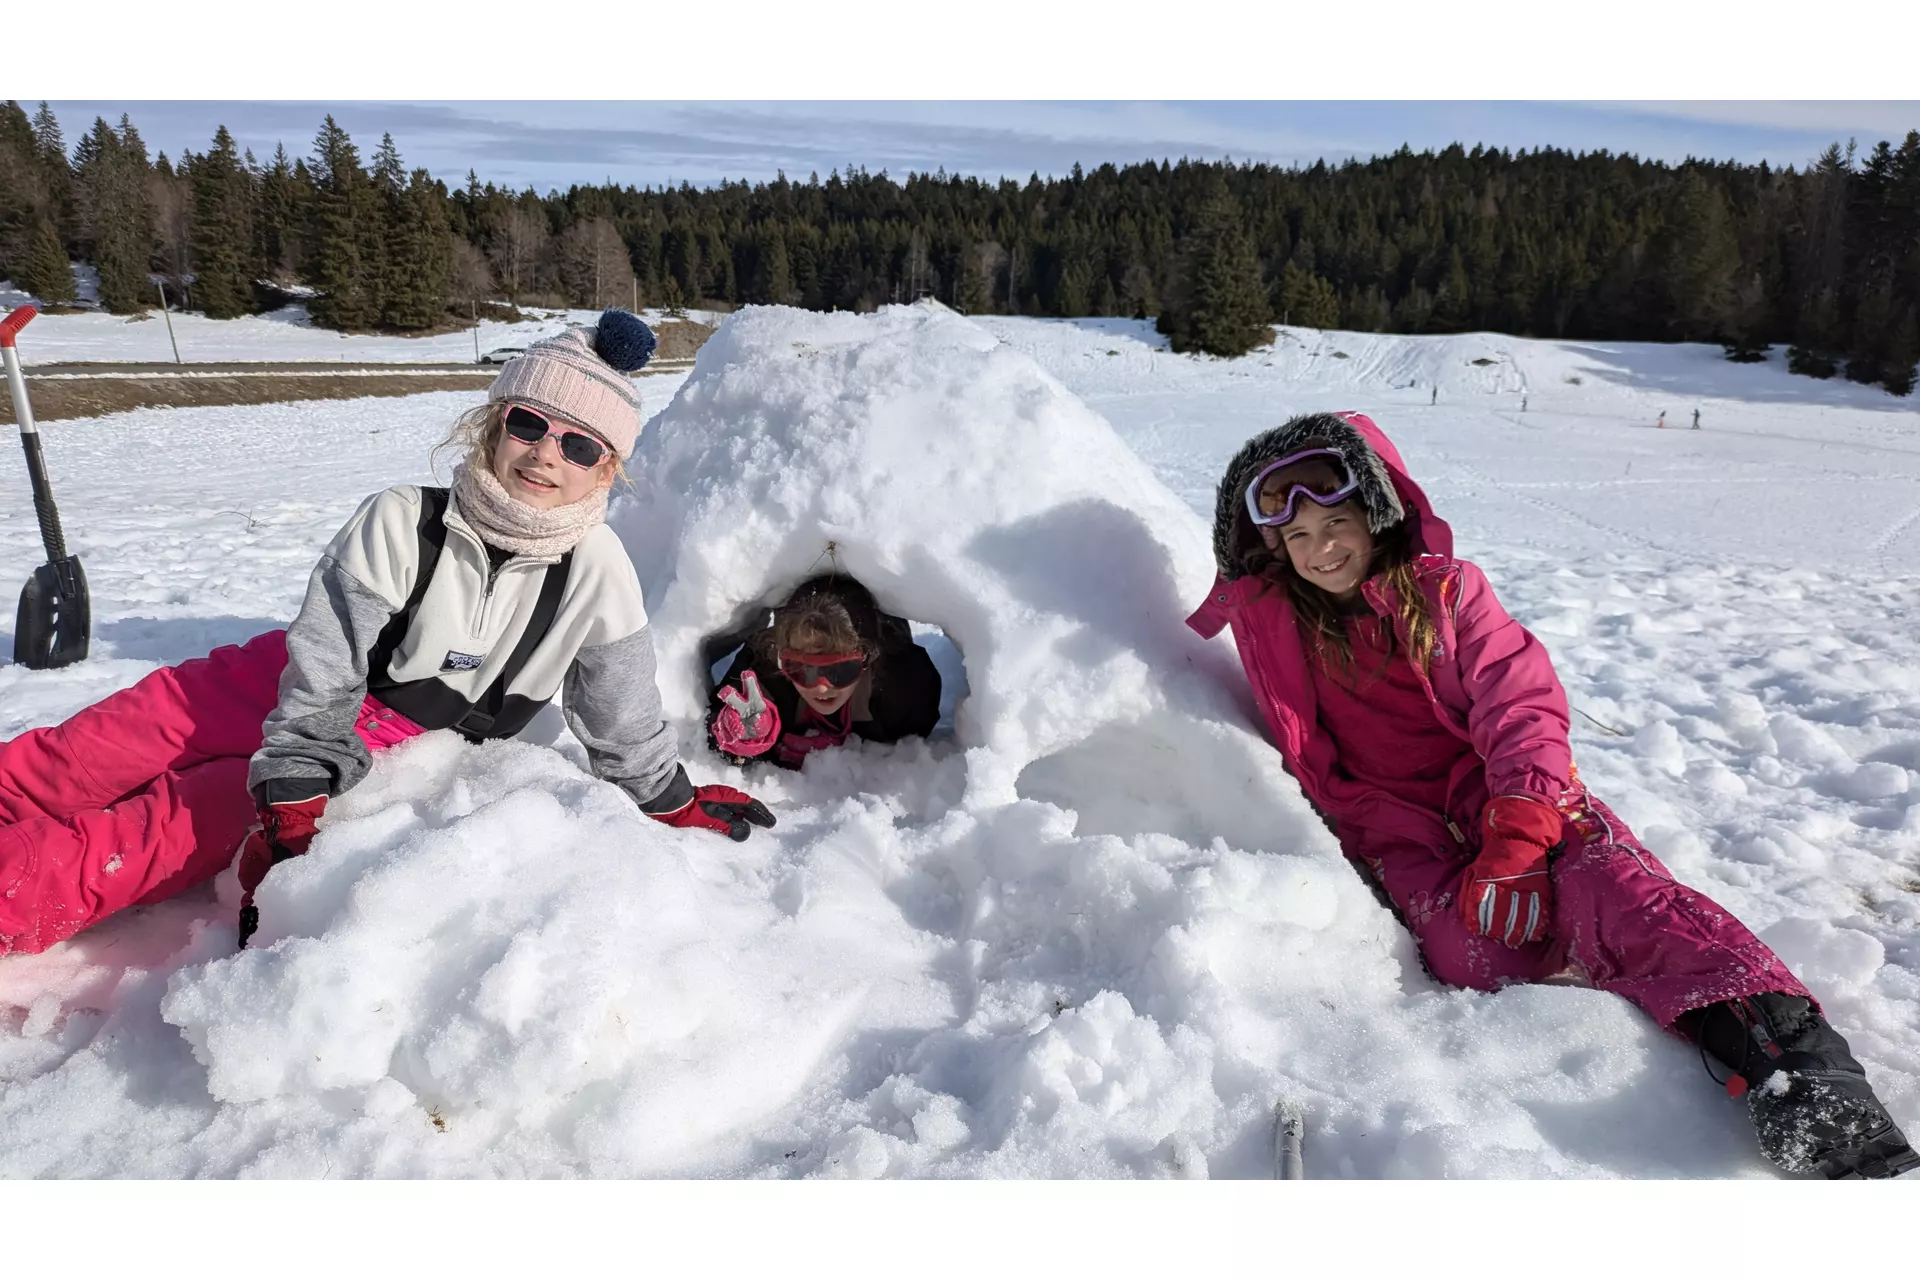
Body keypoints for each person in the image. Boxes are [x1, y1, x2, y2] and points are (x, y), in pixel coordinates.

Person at [1185, 409, 1916, 1179]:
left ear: (1376, 512)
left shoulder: (1445, 595)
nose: (1321, 548)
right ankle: (1588, 1022)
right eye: (1298, 536)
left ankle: (1799, 1067)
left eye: (1336, 523)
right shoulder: (1273, 625)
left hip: (1507, 793)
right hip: (1400, 830)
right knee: (1473, 954)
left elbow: (1520, 705)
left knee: (1616, 894)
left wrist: (1520, 830)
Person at [0, 310, 772, 957]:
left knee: (154, 836)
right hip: (277, 685)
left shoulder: (598, 572)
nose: (545, 453)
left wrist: (667, 797)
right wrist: (298, 772)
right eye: (529, 423)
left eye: (579, 445)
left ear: (606, 469)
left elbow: (619, 711)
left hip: (380, 745)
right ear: (495, 424)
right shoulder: (403, 518)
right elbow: (326, 660)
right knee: (75, 761)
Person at [707, 574, 941, 770]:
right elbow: (716, 722)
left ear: (867, 659)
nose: (820, 687)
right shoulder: (760, 669)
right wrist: (744, 735)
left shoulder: (906, 689)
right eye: (800, 668)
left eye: (841, 670)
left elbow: (920, 726)